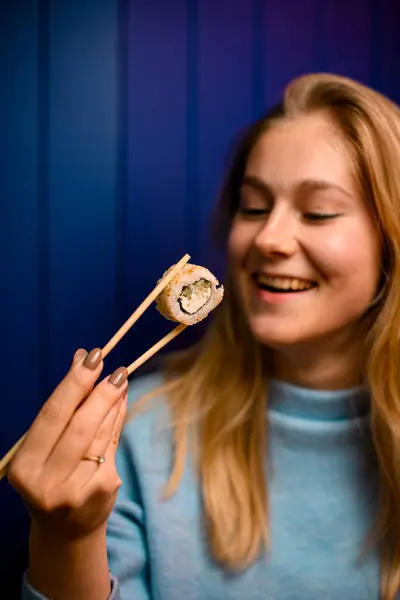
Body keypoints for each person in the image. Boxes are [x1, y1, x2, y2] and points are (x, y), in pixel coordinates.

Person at [10, 72, 400, 600]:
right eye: (254, 206)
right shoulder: (136, 432)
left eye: (318, 212)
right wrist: (64, 539)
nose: (268, 238)